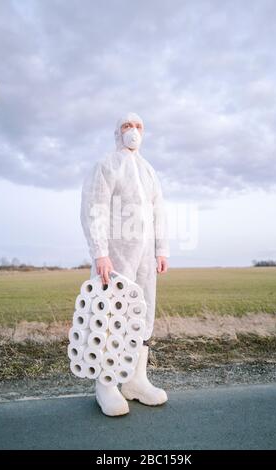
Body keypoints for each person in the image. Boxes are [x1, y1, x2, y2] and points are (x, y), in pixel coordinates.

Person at [80, 112, 170, 416]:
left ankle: (135, 380)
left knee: (141, 315)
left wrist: (162, 249)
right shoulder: (107, 165)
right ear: (117, 133)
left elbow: (159, 212)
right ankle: (105, 385)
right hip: (115, 256)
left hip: (145, 258)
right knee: (109, 314)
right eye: (127, 126)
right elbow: (95, 209)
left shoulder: (148, 171)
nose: (133, 131)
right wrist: (100, 252)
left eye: (139, 126)